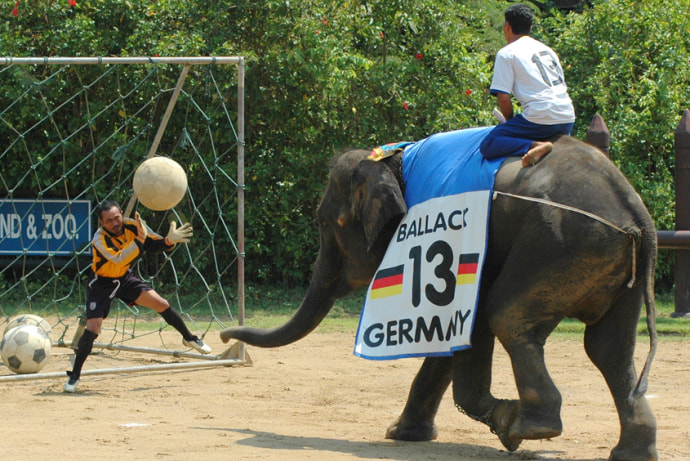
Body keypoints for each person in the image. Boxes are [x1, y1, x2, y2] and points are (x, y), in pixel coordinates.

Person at [64, 200, 211, 393]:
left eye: (117, 218)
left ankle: (189, 338)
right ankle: (75, 375)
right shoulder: (99, 239)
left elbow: (153, 244)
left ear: (122, 214)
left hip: (124, 279)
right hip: (101, 284)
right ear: (101, 223)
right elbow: (120, 258)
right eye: (109, 221)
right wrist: (140, 240)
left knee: (161, 304)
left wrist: (169, 241)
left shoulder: (134, 226)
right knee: (93, 327)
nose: (115, 223)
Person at [480, 3, 575, 167]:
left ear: (507, 27)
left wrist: (509, 122)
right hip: (567, 117)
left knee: (489, 143)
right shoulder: (548, 50)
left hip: (539, 118)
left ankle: (535, 145)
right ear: (530, 28)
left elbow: (503, 97)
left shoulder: (506, 53)